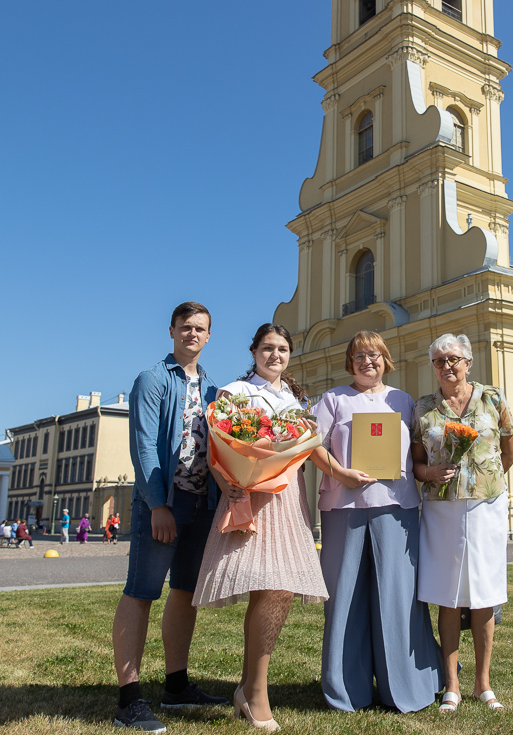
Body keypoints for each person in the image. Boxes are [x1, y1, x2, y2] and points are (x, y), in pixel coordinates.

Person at [192, 323, 331, 731]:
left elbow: (311, 447)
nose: (275, 355)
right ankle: (255, 693)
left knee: (281, 589)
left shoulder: (295, 398)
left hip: (288, 500)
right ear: (253, 351)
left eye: (283, 349)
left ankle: (250, 687)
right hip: (248, 496)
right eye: (268, 348)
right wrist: (229, 485)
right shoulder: (236, 393)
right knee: (268, 586)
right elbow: (216, 446)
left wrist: (340, 471)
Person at [306, 330, 443, 713]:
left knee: (399, 597)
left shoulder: (403, 400)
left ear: (386, 359)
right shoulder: (332, 400)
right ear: (350, 362)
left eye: (375, 355)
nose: (368, 362)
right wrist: (342, 473)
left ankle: (407, 685)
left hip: (397, 507)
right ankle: (346, 690)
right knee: (344, 597)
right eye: (360, 356)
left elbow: (417, 453)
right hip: (342, 506)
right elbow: (312, 447)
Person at [112, 301, 228, 733]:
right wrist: (158, 504)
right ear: (172, 331)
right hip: (163, 502)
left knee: (184, 592)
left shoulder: (216, 390)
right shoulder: (153, 380)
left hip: (202, 504)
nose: (192, 334)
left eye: (200, 328)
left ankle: (176, 686)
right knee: (141, 592)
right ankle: (129, 699)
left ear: (209, 336)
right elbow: (143, 446)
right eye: (185, 327)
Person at [412, 333, 513, 714]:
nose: (447, 366)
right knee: (447, 594)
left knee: (484, 594)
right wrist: (428, 473)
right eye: (439, 361)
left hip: (486, 508)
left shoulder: (492, 398)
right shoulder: (424, 408)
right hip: (442, 509)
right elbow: (414, 461)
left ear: (468, 362)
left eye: (454, 359)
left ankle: (484, 684)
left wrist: (487, 478)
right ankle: (452, 685)